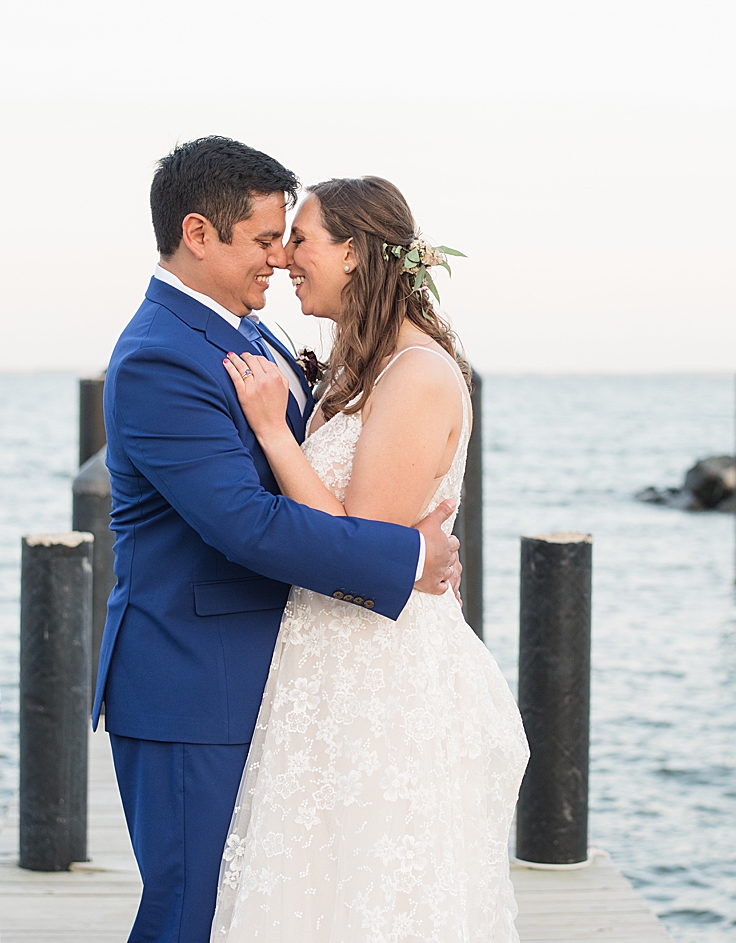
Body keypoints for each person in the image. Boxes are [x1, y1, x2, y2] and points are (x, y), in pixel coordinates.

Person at [94, 138, 463, 943]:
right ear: (198, 233)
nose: (281, 258)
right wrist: (407, 556)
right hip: (195, 682)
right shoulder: (161, 356)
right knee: (190, 913)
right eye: (266, 239)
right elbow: (246, 524)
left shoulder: (250, 336)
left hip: (278, 676)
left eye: (290, 238)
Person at [212, 177, 529, 941]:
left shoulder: (418, 375)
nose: (287, 256)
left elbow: (357, 546)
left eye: (305, 239)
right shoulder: (363, 365)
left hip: (380, 672)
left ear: (353, 253)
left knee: (375, 896)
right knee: (313, 890)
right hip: (328, 663)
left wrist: (275, 434)